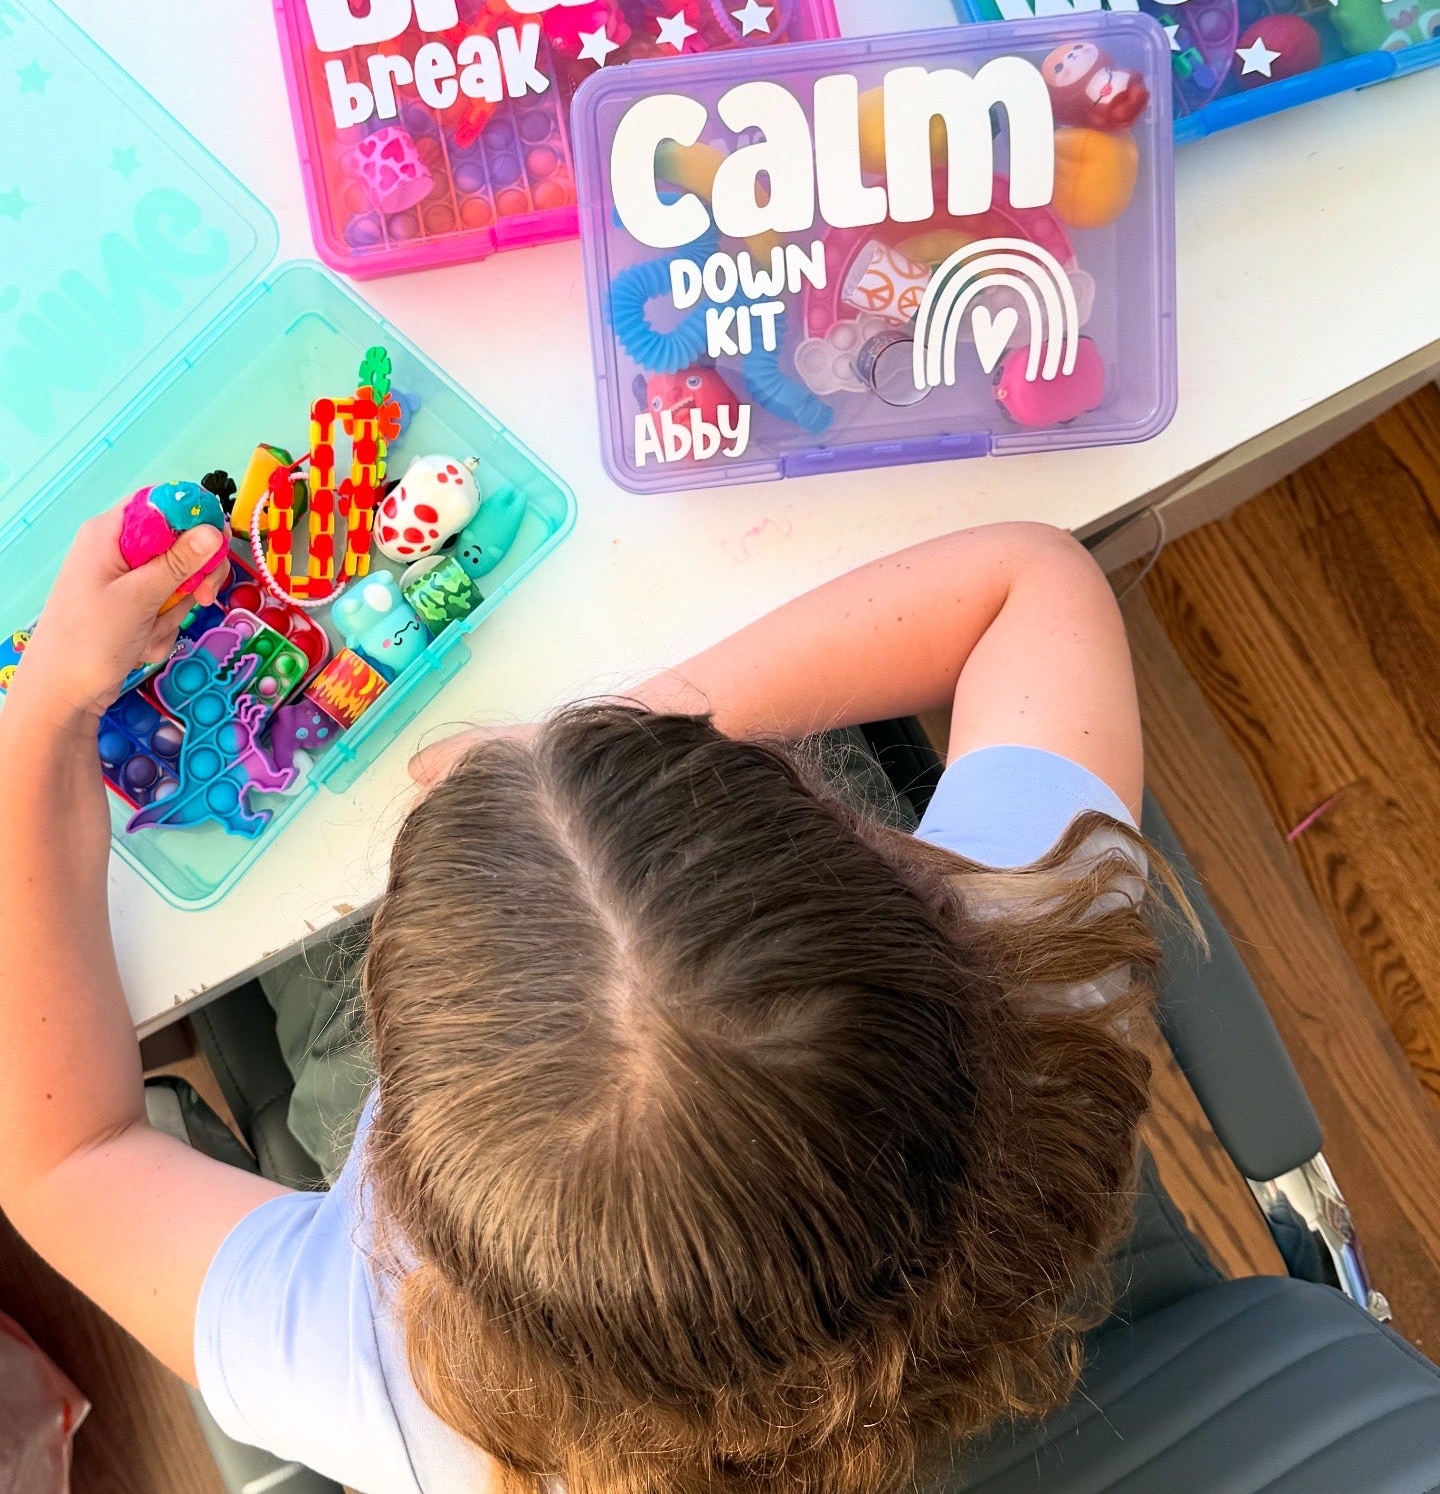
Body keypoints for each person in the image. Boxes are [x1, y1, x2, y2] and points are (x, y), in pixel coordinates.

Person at [0, 508, 1183, 1494]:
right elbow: (1029, 583)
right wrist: (592, 759)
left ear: (408, 1132)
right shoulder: (1038, 962)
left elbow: (70, 1160)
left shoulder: (377, 1361)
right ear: (900, 894)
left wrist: (41, 714)